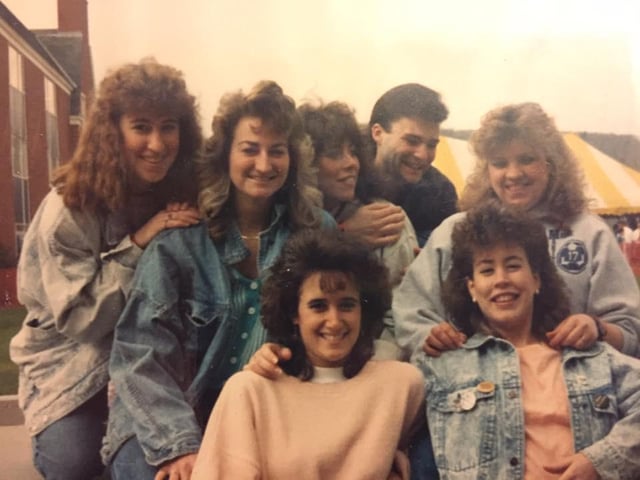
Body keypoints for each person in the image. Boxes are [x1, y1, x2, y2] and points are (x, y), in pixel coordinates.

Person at [103, 81, 334, 480]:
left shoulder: (315, 233)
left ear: (293, 159)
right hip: (169, 414)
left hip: (265, 414)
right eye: (250, 149)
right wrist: (179, 447)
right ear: (225, 154)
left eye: (277, 150)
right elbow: (139, 352)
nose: (264, 164)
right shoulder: (180, 240)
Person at [8, 59, 202, 480]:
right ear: (112, 132)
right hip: (74, 360)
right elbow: (82, 320)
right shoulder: (69, 207)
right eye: (141, 127)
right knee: (75, 463)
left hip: (151, 355)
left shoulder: (181, 193)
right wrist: (140, 242)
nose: (157, 144)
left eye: (168, 127)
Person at [394, 102, 640, 362]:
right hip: (469, 381)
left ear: (551, 164)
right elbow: (412, 311)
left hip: (572, 380)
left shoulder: (589, 233)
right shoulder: (453, 232)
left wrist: (597, 328)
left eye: (526, 159)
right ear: (486, 170)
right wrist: (429, 335)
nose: (513, 174)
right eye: (500, 163)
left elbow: (630, 330)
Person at [417, 203, 640, 479]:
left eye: (513, 266)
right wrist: (394, 456)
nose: (501, 280)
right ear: (471, 288)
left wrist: (600, 461)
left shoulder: (589, 357)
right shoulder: (444, 364)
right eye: (487, 270)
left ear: (536, 280)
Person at [191, 229, 424, 480]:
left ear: (363, 310)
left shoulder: (402, 385)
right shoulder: (251, 389)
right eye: (318, 306)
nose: (334, 321)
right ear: (294, 313)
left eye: (347, 305)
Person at [298, 101, 418, 287]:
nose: (352, 163)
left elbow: (399, 300)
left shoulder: (384, 218)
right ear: (305, 159)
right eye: (334, 154)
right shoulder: (281, 217)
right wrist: (340, 235)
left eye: (353, 152)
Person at [344, 83, 458, 247]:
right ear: (378, 133)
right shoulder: (345, 175)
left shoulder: (440, 192)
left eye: (431, 145)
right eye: (412, 141)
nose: (422, 155)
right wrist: (341, 232)